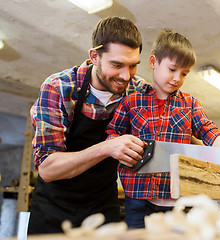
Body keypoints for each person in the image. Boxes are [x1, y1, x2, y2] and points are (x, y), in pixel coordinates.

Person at [106, 29, 220, 228]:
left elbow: (209, 131)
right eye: (172, 69)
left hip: (177, 199)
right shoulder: (131, 101)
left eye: (184, 73)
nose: (177, 78)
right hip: (138, 197)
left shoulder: (189, 104)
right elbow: (112, 133)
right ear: (154, 62)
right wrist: (118, 148)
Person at [28, 17, 147, 234]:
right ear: (94, 56)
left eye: (133, 66)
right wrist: (107, 147)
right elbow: (47, 168)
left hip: (103, 207)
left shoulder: (138, 92)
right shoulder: (59, 88)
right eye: (117, 65)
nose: (126, 76)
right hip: (53, 210)